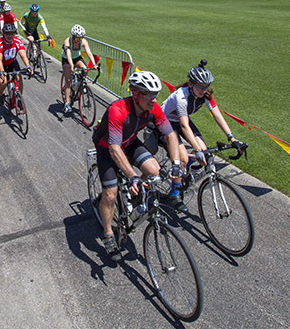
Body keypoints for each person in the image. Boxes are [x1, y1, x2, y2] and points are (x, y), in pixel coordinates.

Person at [91, 71, 184, 260]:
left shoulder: (153, 109)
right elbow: (114, 149)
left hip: (130, 142)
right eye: (149, 95)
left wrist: (175, 163)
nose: (154, 99)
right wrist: (132, 175)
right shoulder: (118, 111)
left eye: (156, 94)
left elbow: (170, 135)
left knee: (154, 170)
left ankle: (129, 188)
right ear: (135, 94)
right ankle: (108, 233)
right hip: (107, 147)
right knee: (110, 194)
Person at [161, 59, 245, 173]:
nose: (203, 90)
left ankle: (185, 173)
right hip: (166, 121)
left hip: (180, 120)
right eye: (200, 87)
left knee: (203, 150)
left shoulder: (206, 94)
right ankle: (175, 189)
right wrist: (197, 149)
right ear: (191, 84)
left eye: (206, 86)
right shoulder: (181, 97)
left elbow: (217, 116)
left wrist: (232, 138)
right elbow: (184, 125)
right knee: (184, 159)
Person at [0, 22, 32, 106]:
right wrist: (2, 72)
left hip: (11, 62)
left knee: (19, 78)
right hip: (0, 63)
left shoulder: (17, 41)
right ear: (3, 34)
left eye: (11, 33)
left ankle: (19, 98)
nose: (9, 36)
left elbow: (23, 55)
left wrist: (28, 66)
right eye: (7, 34)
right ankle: (1, 94)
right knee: (3, 82)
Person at [61, 24, 97, 115]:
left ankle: (79, 84)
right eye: (77, 38)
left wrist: (94, 64)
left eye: (80, 38)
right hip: (67, 59)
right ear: (73, 37)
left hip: (77, 57)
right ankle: (67, 103)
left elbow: (88, 52)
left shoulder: (83, 41)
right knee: (68, 81)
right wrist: (71, 65)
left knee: (85, 69)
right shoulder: (67, 41)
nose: (79, 40)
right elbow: (68, 54)